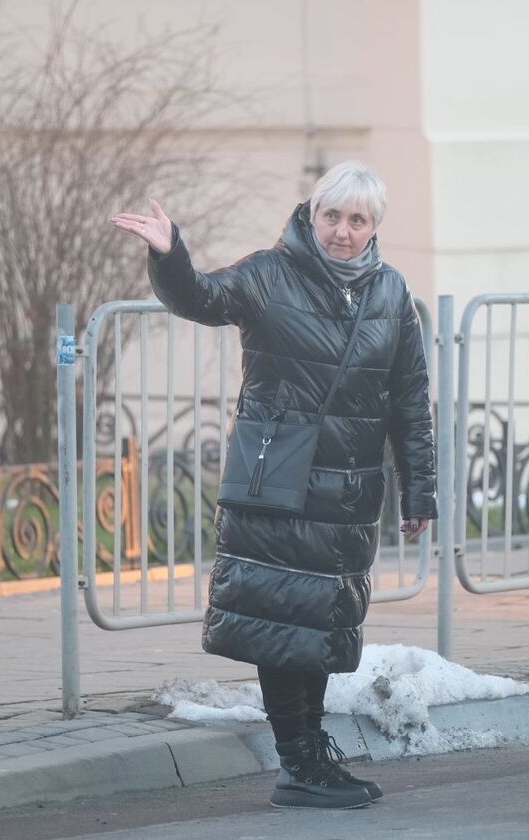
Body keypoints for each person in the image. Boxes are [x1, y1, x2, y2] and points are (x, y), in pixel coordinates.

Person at [111, 160, 437, 811]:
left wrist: (419, 491)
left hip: (345, 493)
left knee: (316, 623)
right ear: (312, 215)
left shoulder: (391, 293)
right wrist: (171, 254)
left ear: (374, 227)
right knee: (280, 620)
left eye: (357, 220)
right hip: (277, 482)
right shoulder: (270, 273)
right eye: (332, 216)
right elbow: (201, 298)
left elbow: (410, 399)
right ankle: (299, 763)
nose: (342, 231)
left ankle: (311, 757)